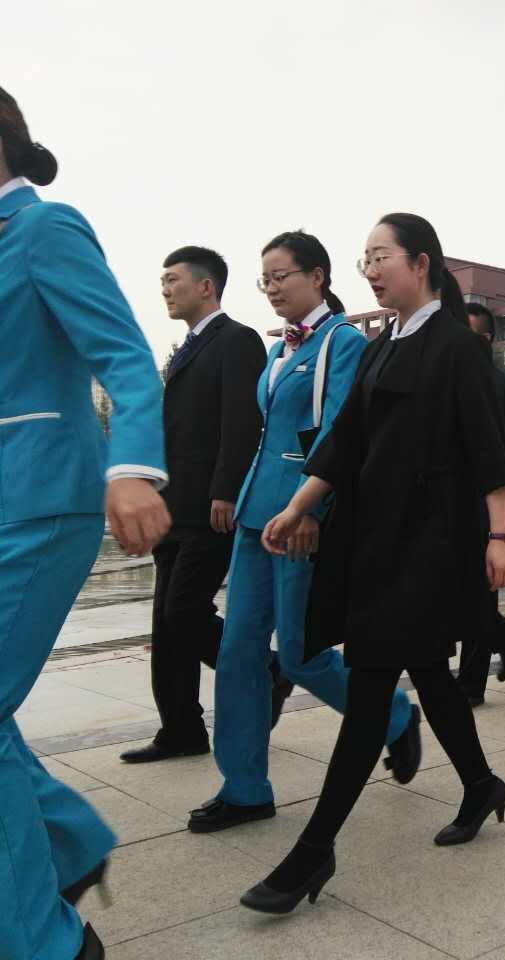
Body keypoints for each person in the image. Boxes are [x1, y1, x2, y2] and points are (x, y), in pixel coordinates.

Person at [241, 213, 505, 913]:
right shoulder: (379, 346)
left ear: (421, 263)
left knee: (368, 690)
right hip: (375, 538)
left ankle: (314, 850)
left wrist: (500, 535)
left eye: (380, 256)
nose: (369, 269)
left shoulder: (455, 347)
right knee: (429, 672)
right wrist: (298, 507)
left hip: (430, 543)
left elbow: (487, 448)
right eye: (364, 259)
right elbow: (343, 439)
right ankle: (482, 784)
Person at [0, 86, 171, 960]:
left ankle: (46, 942)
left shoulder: (44, 228)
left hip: (42, 498)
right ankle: (65, 842)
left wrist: (132, 466)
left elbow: (125, 357)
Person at [189, 231, 419, 835]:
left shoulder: (343, 343)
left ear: (317, 276)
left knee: (300, 653)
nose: (271, 288)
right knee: (239, 651)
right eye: (264, 279)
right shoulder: (278, 349)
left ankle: (394, 716)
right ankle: (244, 788)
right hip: (254, 515)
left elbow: (342, 433)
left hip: (300, 515)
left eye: (281, 276)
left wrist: (313, 510)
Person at [121, 247, 273, 765]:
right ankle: (180, 729)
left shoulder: (237, 340)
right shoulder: (188, 348)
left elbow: (242, 422)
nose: (165, 289)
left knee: (185, 611)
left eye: (173, 279)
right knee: (166, 624)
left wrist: (226, 489)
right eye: (162, 281)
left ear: (206, 286)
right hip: (174, 508)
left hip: (211, 506)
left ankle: (267, 669)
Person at [458, 302, 505, 705]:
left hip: (488, 507)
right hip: (450, 505)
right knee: (460, 592)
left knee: (482, 591)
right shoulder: (445, 381)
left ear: (485, 340)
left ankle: (470, 686)